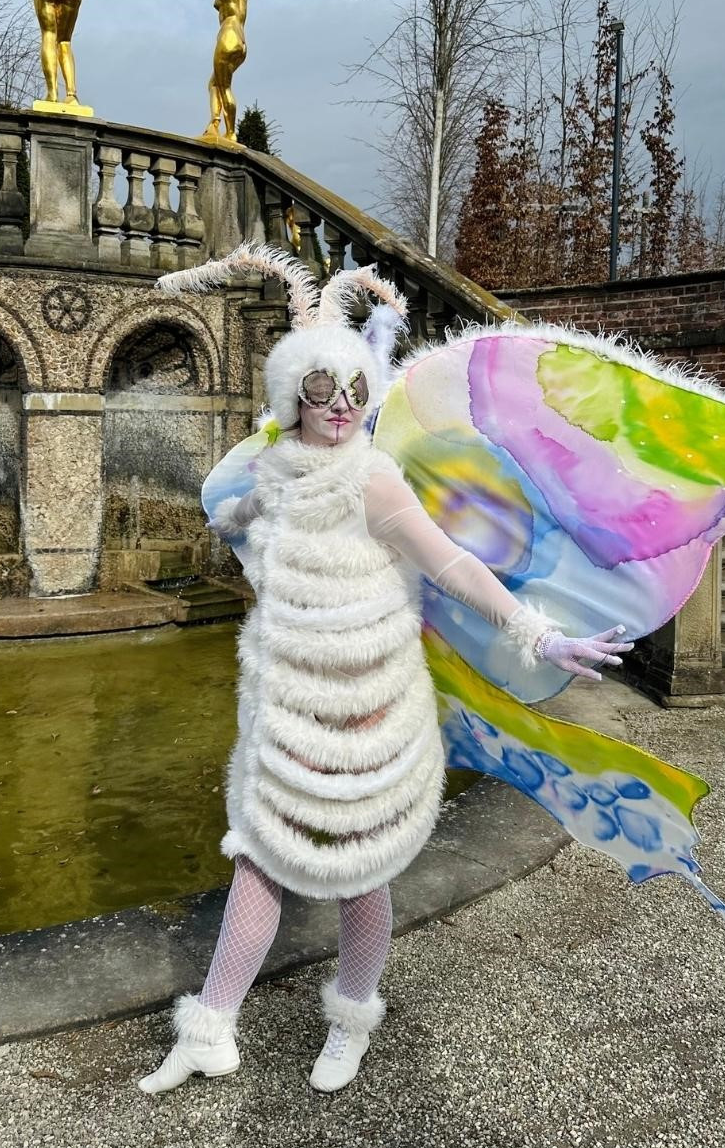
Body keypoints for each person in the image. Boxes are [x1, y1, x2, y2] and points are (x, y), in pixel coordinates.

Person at [138, 252, 632, 1096]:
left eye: (355, 390)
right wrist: (241, 507)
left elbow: (452, 565)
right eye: (321, 388)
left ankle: (351, 1020)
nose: (340, 405)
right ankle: (211, 1030)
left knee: (362, 873)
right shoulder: (274, 466)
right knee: (259, 856)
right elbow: (237, 510)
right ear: (293, 395)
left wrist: (536, 633)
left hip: (367, 708)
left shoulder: (372, 478)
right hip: (286, 708)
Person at [195, 0, 248, 142]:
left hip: (228, 36)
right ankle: (215, 123)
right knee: (215, 84)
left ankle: (230, 132)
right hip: (241, 42)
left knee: (223, 86)